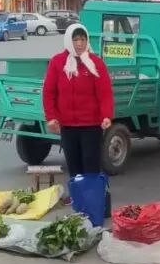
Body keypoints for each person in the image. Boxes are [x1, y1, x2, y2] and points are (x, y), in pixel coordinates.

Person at [43, 23, 114, 175]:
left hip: (91, 125)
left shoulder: (96, 63)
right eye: (75, 40)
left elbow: (105, 93)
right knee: (74, 167)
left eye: (83, 39)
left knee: (91, 166)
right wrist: (51, 117)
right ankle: (77, 190)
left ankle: (91, 190)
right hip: (67, 126)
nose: (80, 44)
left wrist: (106, 115)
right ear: (69, 41)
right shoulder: (57, 62)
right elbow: (49, 92)